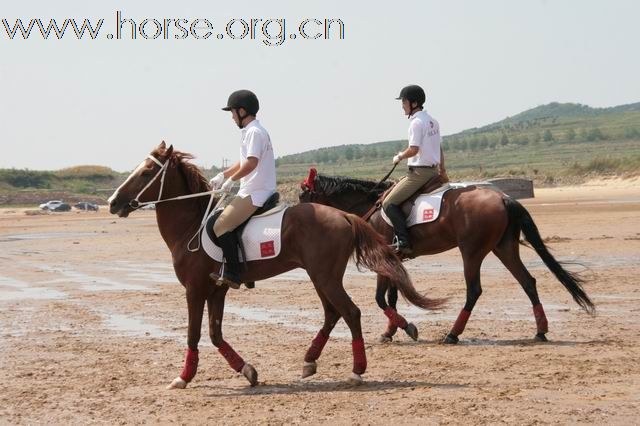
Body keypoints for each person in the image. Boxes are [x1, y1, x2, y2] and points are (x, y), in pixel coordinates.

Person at [209, 89, 276, 288]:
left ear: (242, 111)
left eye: (232, 112)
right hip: (252, 189)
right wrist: (223, 176)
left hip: (255, 192)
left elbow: (252, 163)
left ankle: (235, 273)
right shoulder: (251, 131)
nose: (231, 117)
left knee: (220, 225)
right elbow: (242, 163)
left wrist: (233, 181)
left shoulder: (254, 132)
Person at [381, 85, 447, 256]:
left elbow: (414, 149)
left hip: (420, 173)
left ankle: (404, 241)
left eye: (404, 101)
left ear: (414, 103)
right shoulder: (433, 121)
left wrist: (400, 156)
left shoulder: (416, 123)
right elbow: (438, 147)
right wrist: (443, 170)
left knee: (388, 203)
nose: (402, 105)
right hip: (432, 171)